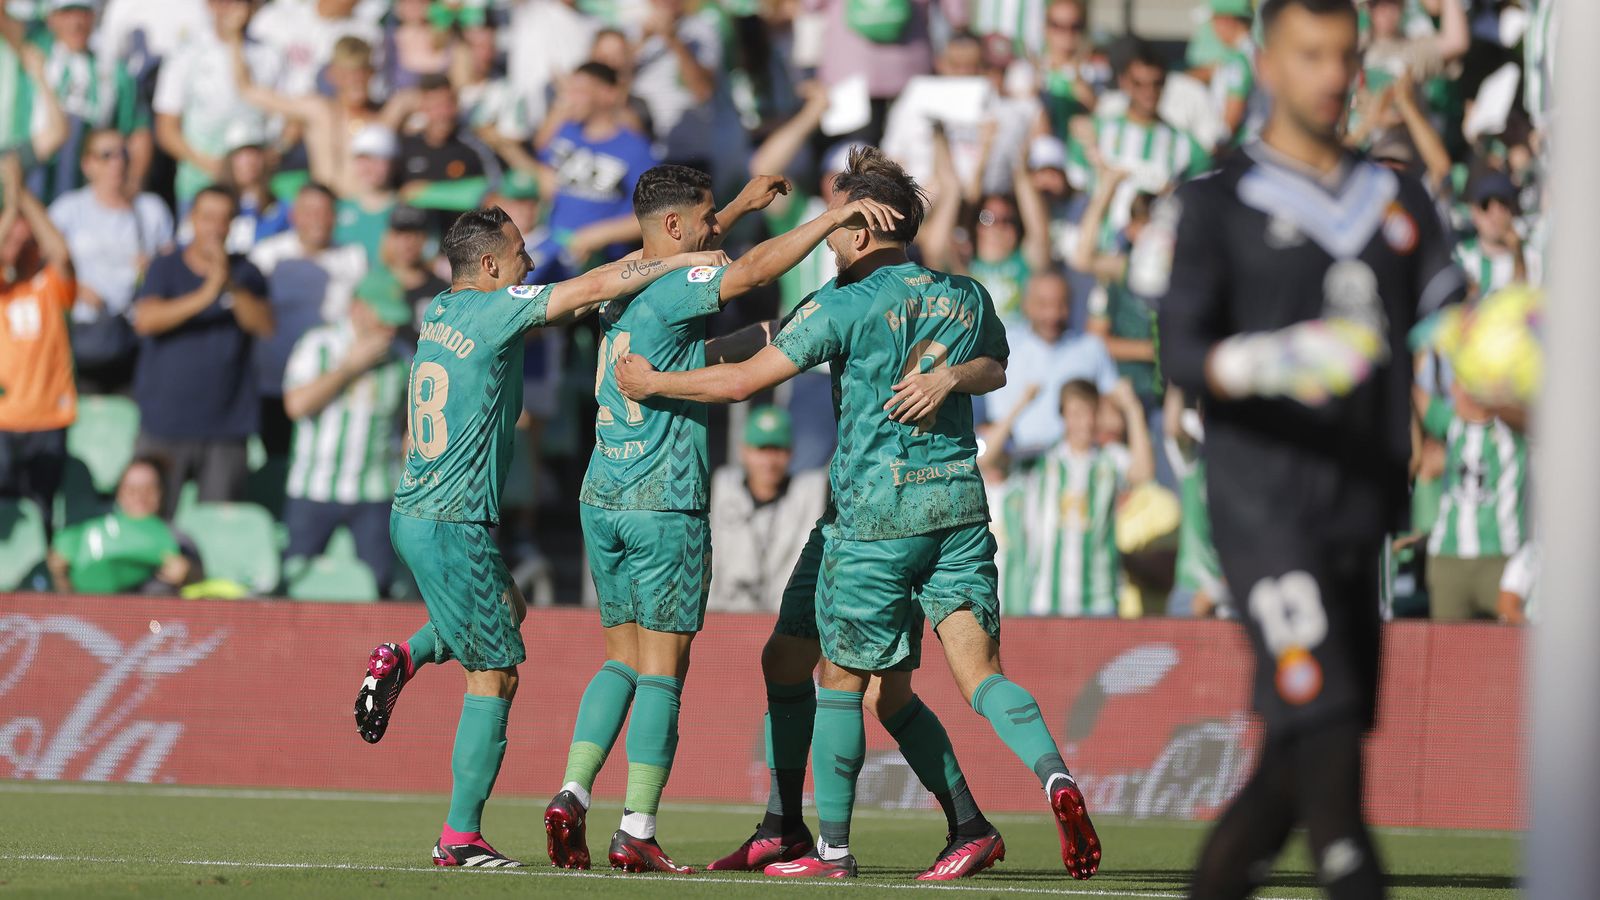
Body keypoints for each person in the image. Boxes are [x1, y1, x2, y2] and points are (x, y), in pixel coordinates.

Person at [613, 147, 1101, 881]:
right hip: (955, 510)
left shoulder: (844, 303)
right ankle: (1040, 789)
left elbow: (747, 380)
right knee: (925, 674)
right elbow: (996, 366)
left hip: (872, 519)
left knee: (841, 682)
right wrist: (953, 374)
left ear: (864, 230)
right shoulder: (964, 294)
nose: (830, 236)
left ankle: (831, 852)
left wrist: (656, 382)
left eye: (840, 223)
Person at [1153, 1, 1466, 897]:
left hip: (1361, 508)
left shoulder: (1397, 199)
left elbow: (1452, 325)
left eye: (1345, 55)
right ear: (1267, 62)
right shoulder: (1218, 202)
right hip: (1264, 512)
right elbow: (1179, 350)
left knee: (1298, 758)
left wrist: (1503, 355)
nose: (1333, 75)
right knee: (1329, 751)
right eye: (1311, 54)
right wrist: (1266, 359)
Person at [347, 204, 728, 868]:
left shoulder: (440, 308)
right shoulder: (497, 311)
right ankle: (459, 837)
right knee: (493, 678)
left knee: (508, 613)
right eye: (520, 253)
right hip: (452, 520)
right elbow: (591, 288)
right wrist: (680, 261)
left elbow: (592, 283)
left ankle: (402, 658)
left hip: (417, 512)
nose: (529, 263)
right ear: (490, 265)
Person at [544, 165, 900, 873]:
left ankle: (572, 791)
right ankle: (637, 828)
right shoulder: (680, 285)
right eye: (708, 220)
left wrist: (736, 204)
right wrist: (832, 220)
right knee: (663, 672)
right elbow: (746, 271)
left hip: (601, 496)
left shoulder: (624, 283)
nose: (719, 234)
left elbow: (692, 256)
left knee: (619, 659)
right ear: (676, 227)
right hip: (662, 501)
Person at [131, 186, 275, 518]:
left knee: (217, 529)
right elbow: (146, 320)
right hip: (163, 423)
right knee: (154, 520)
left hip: (225, 427)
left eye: (224, 219)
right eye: (208, 217)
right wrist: (207, 293)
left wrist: (228, 285)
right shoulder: (165, 266)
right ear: (192, 219)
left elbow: (265, 325)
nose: (215, 227)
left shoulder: (247, 273)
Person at [281, 271, 413, 592]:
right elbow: (296, 405)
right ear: (358, 308)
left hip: (375, 489)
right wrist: (348, 369)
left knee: (375, 584)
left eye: (395, 320)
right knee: (295, 580)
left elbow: (409, 425)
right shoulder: (318, 344)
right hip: (314, 487)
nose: (390, 328)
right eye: (383, 318)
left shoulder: (402, 357)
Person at [1006, 378, 1152, 617]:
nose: (1083, 422)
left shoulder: (1109, 458)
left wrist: (1133, 410)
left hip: (1099, 598)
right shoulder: (1041, 460)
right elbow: (988, 459)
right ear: (1063, 416)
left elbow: (1144, 473)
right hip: (1046, 599)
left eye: (1089, 413)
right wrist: (1021, 404)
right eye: (1075, 413)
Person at [47, 128, 173, 388]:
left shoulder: (151, 210)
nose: (117, 162)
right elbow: (41, 264)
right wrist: (76, 289)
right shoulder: (67, 210)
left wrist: (154, 271)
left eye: (123, 154)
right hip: (84, 334)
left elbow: (173, 268)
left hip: (133, 334)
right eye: (107, 155)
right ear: (87, 164)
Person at [249, 181, 368, 457]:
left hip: (328, 384)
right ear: (293, 216)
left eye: (324, 211)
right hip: (273, 383)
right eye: (308, 211)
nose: (317, 219)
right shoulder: (267, 256)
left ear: (335, 217)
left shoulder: (353, 258)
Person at [0, 153, 75, 540]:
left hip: (48, 418)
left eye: (24, 236)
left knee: (42, 517)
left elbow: (59, 252)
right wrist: (11, 204)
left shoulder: (48, 286)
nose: (18, 242)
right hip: (4, 419)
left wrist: (24, 194)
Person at [531, 61, 657, 282]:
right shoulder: (564, 133)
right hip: (554, 250)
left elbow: (653, 217)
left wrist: (599, 235)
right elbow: (541, 159)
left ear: (608, 95)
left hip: (603, 264)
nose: (568, 99)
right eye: (568, 91)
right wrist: (542, 172)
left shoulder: (636, 149)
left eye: (579, 92)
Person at [152, 0, 280, 214]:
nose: (231, 8)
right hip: (199, 185)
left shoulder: (269, 54)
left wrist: (269, 157)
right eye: (223, 2)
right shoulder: (185, 54)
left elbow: (289, 119)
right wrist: (212, 166)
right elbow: (166, 129)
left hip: (258, 188)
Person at [1418, 382, 1527, 620]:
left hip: (1502, 559)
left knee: (1512, 651)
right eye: (1456, 384)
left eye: (1468, 383)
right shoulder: (1451, 424)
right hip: (1447, 558)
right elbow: (1416, 396)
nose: (1457, 391)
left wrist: (1492, 400)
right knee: (1449, 653)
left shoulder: (1514, 429)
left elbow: (1537, 420)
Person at [981, 270, 1116, 457]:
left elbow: (1112, 416)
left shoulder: (1091, 348)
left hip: (1078, 458)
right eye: (1043, 305)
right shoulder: (1004, 347)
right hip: (1018, 459)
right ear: (1026, 305)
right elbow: (992, 423)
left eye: (1061, 304)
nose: (1053, 314)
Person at [706, 406, 828, 614]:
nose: (769, 461)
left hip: (782, 619)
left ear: (791, 452)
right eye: (761, 449)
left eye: (777, 450)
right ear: (744, 451)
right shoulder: (722, 486)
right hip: (723, 615)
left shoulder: (809, 491)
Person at [31, 0, 153, 201]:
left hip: (89, 187)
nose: (76, 22)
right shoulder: (33, 53)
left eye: (84, 13)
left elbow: (137, 131)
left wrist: (132, 184)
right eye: (67, 13)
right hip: (35, 175)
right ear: (51, 18)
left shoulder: (115, 72)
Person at [46, 456, 192, 595]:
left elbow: (200, 583)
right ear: (119, 493)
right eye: (131, 489)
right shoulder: (90, 532)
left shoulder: (176, 539)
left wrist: (188, 576)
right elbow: (69, 602)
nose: (140, 496)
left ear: (161, 493)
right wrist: (59, 574)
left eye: (148, 489)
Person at [1455, 171, 1527, 298]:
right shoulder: (1460, 258)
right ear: (1474, 212)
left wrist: (1518, 257)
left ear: (1513, 210)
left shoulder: (1533, 256)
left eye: (1503, 204)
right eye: (1485, 205)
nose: (1495, 215)